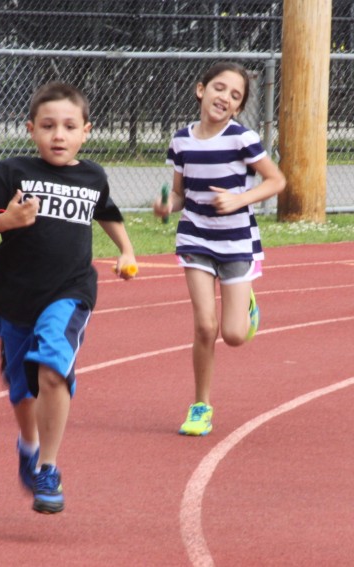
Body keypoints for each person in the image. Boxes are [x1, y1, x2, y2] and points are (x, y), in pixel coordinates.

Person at [0, 81, 137, 514]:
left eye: (69, 126)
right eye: (48, 125)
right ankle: (29, 444)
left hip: (69, 291)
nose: (59, 134)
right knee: (23, 390)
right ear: (31, 129)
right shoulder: (9, 173)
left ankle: (49, 468)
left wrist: (127, 249)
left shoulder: (92, 176)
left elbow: (105, 211)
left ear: (86, 132)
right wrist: (6, 220)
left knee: (53, 366)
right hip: (15, 294)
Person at [153, 61, 286, 436]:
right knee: (204, 326)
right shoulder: (181, 140)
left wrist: (241, 199)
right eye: (219, 88)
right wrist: (167, 206)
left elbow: (277, 180)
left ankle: (247, 306)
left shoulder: (242, 139)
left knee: (234, 335)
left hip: (236, 242)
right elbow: (180, 193)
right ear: (201, 90)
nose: (224, 97)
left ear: (239, 107)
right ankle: (201, 405)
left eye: (235, 95)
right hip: (195, 237)